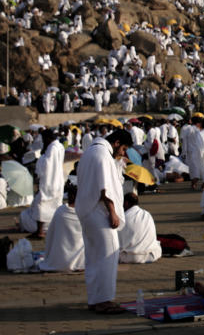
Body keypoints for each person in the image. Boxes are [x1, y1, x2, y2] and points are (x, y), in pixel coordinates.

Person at [76, 129, 131, 314]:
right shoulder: (101, 154)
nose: (123, 153)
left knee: (94, 257)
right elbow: (104, 188)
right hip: (99, 212)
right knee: (108, 256)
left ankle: (95, 299)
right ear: (116, 143)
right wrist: (113, 212)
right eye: (123, 148)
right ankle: (104, 301)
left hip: (89, 211)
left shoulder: (92, 151)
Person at [19, 129, 65, 238]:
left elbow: (47, 165)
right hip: (57, 180)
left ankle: (40, 231)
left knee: (41, 205)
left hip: (49, 181)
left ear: (48, 139)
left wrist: (41, 159)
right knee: (54, 206)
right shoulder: (59, 146)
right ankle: (53, 228)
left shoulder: (52, 148)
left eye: (44, 140)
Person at [39, 184, 85, 272]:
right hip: (81, 261)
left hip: (59, 261)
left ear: (70, 196)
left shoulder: (61, 211)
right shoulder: (85, 212)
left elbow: (50, 236)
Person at [119, 193, 162, 263]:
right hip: (151, 255)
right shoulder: (147, 214)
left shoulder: (123, 218)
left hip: (129, 257)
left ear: (126, 203)